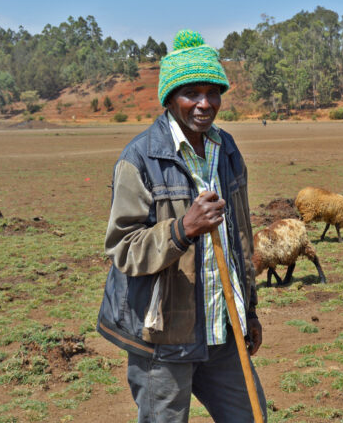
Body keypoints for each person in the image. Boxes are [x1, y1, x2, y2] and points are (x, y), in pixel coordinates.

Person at [96, 30, 266, 422]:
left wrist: (249, 311)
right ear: (171, 98)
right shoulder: (139, 159)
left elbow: (240, 238)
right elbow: (123, 248)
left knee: (251, 416)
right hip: (164, 338)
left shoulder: (227, 150)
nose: (204, 104)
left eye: (213, 92)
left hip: (222, 329)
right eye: (192, 93)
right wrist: (182, 229)